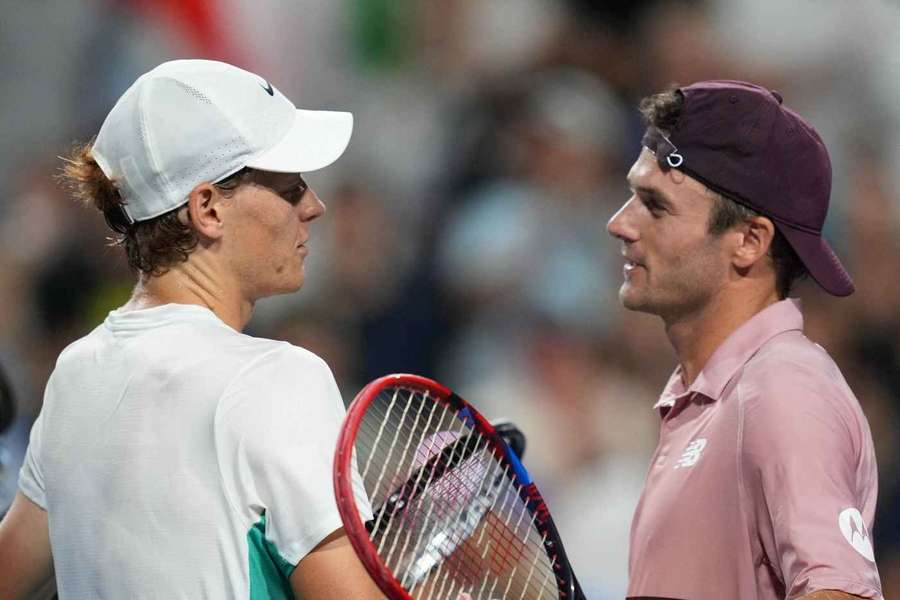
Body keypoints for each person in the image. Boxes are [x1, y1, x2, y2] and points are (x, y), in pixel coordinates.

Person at [0, 59, 383, 599]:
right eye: (290, 186)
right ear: (207, 208)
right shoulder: (278, 379)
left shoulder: (73, 375)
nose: (314, 206)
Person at [607, 80, 883, 600]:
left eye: (655, 205)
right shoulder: (718, 397)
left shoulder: (783, 390)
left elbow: (841, 593)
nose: (619, 224)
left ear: (749, 241)